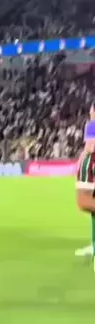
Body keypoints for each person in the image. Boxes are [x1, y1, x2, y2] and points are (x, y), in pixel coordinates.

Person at [75, 105, 95, 264]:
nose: (90, 112)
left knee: (88, 204)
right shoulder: (91, 125)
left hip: (91, 166)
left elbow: (89, 147)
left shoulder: (91, 125)